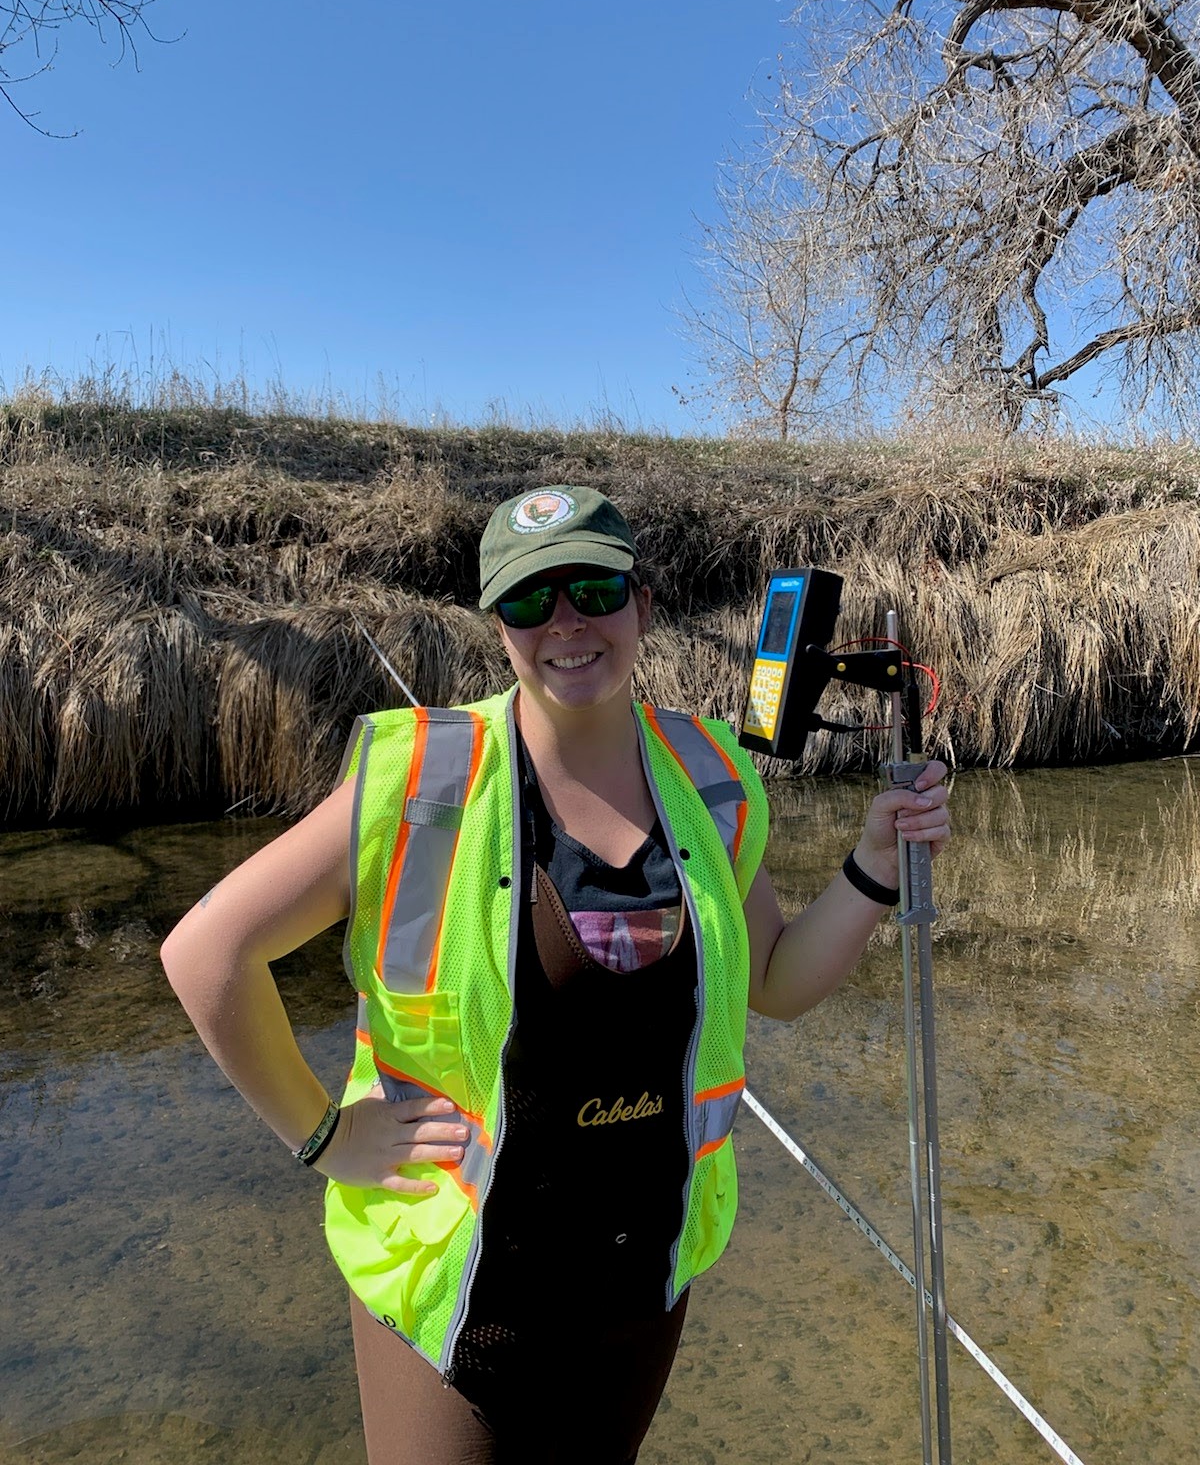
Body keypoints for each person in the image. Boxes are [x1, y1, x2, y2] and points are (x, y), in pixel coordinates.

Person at [161, 484, 951, 1465]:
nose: (565, 623)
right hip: (458, 1303)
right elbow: (206, 953)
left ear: (643, 606)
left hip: (642, 1286)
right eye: (531, 602)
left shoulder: (712, 777)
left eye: (591, 588)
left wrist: (875, 859)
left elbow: (779, 982)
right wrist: (325, 1135)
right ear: (500, 630)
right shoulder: (421, 784)